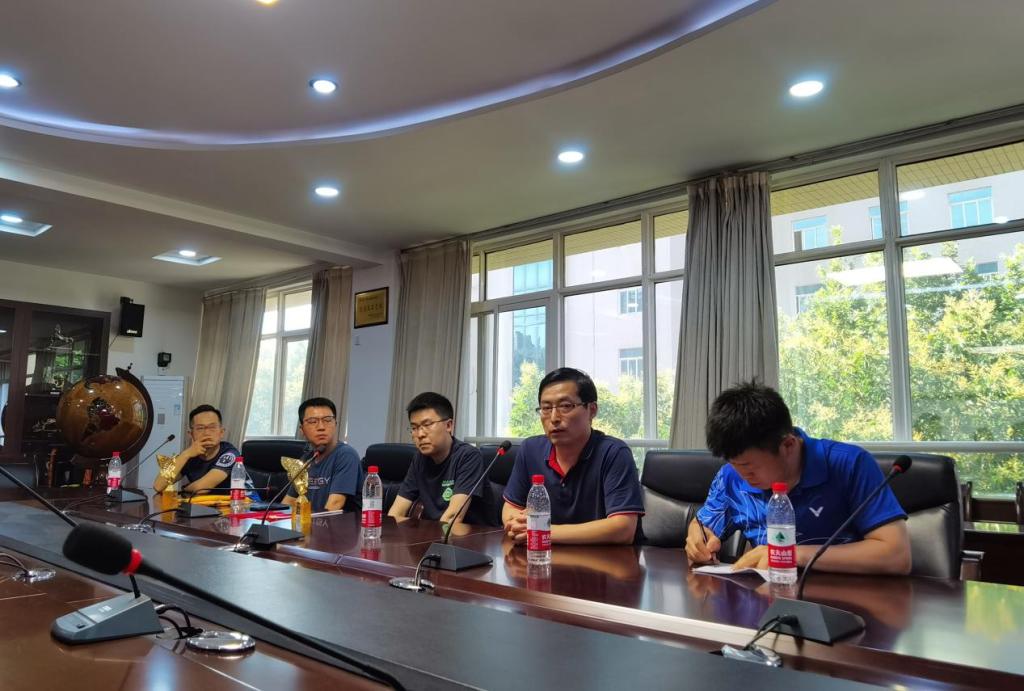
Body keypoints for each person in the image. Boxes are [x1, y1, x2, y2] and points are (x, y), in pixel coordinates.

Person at [685, 381, 911, 575]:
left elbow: (897, 555)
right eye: (733, 465)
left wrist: (789, 554)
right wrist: (698, 538)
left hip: (847, 599)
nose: (742, 476)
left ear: (788, 445)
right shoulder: (731, 476)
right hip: (769, 596)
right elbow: (704, 525)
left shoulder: (850, 464)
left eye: (749, 467)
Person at [502, 367, 644, 545]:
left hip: (605, 559)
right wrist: (518, 524)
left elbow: (623, 529)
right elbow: (510, 508)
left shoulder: (614, 453)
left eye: (565, 406)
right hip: (544, 556)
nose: (554, 417)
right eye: (546, 408)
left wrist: (543, 531)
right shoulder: (530, 449)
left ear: (592, 410)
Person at [388, 392, 499, 527]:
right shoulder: (420, 459)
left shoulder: (468, 456)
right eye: (414, 428)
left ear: (448, 426)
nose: (420, 434)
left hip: (474, 536)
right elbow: (397, 511)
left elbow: (453, 518)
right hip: (436, 533)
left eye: (427, 425)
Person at [284, 397, 363, 513]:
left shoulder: (346, 455)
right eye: (312, 421)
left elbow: (334, 505)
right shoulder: (306, 459)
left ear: (335, 424)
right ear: (302, 430)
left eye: (327, 420)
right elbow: (289, 502)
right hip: (310, 522)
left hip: (336, 523)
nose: (321, 427)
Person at [153, 404, 240, 492]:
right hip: (201, 501)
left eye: (212, 427)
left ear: (221, 433)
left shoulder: (230, 454)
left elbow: (201, 489)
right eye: (200, 428)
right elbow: (158, 486)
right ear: (191, 434)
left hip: (235, 500)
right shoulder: (190, 455)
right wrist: (185, 454)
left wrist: (184, 489)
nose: (206, 433)